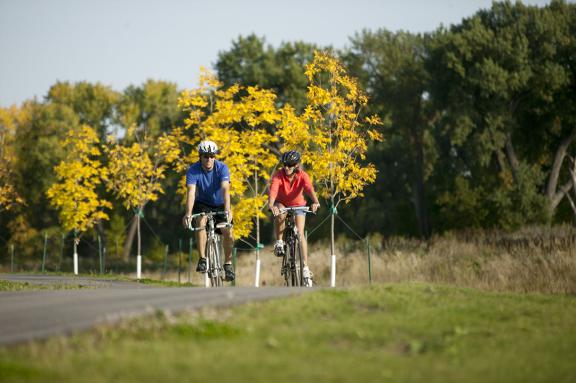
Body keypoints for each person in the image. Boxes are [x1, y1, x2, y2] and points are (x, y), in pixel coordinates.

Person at [182, 140, 235, 282]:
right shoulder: (193, 170)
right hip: (203, 203)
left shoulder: (222, 168)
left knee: (227, 231)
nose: (209, 159)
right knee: (201, 220)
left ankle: (228, 265)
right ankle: (203, 259)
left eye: (212, 156)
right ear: (200, 156)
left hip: (220, 203)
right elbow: (191, 192)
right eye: (206, 156)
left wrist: (228, 210)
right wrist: (188, 213)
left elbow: (225, 189)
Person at [268, 150, 320, 287]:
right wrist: (271, 205)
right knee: (280, 213)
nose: (287, 167)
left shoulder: (303, 176)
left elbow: (309, 188)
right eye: (285, 164)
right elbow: (273, 190)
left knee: (300, 233)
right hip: (282, 203)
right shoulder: (278, 176)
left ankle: (305, 269)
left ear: (297, 165)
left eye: (290, 165)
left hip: (298, 205)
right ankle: (279, 242)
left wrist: (315, 202)